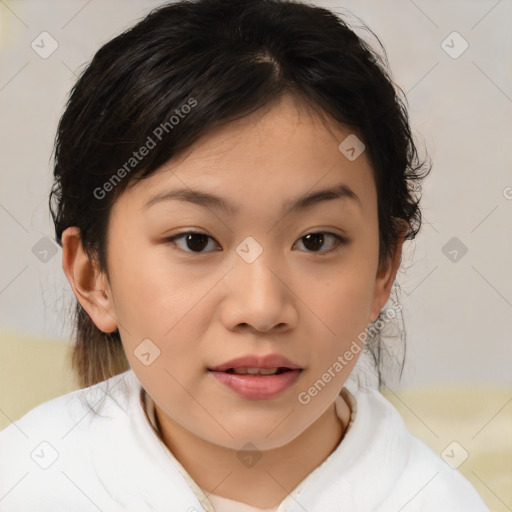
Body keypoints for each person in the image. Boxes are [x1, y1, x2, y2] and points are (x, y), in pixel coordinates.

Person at [0, 0, 489, 510]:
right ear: (92, 275)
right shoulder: (24, 482)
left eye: (316, 241)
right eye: (195, 241)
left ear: (382, 269)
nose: (261, 308)